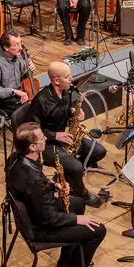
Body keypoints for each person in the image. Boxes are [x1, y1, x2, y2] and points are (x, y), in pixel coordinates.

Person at [7, 122, 106, 267]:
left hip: (35, 212)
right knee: (99, 230)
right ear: (32, 147)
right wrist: (76, 219)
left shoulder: (14, 159)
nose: (46, 138)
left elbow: (34, 187)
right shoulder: (34, 181)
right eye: (41, 138)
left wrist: (54, 186)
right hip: (41, 228)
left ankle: (68, 258)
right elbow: (49, 219)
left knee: (79, 203)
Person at [27, 61, 106, 207]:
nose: (71, 79)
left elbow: (66, 111)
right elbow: (32, 130)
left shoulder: (66, 91)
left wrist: (73, 113)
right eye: (67, 77)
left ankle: (69, 177)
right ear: (56, 81)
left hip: (64, 138)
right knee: (76, 167)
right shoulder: (41, 100)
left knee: (99, 151)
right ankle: (81, 192)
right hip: (47, 144)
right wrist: (56, 135)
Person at [0, 30, 36, 116]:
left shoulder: (19, 56)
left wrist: (30, 68)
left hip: (18, 95)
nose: (20, 48)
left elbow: (25, 76)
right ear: (6, 47)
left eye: (20, 43)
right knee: (29, 111)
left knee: (41, 103)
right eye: (16, 45)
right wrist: (13, 91)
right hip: (3, 99)